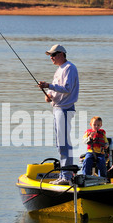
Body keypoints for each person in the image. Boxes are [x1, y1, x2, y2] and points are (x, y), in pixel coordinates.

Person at [38, 44, 79, 185]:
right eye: (50, 55)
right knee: (59, 144)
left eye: (53, 55)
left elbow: (67, 88)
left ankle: (66, 177)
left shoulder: (70, 68)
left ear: (62, 54)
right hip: (57, 108)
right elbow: (56, 90)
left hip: (65, 109)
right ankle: (64, 174)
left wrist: (48, 85)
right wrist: (49, 95)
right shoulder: (59, 70)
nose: (51, 58)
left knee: (64, 143)